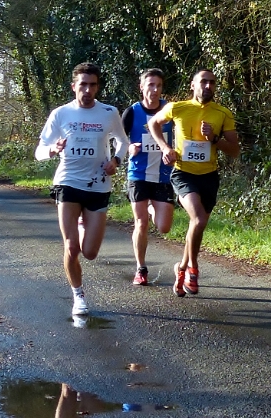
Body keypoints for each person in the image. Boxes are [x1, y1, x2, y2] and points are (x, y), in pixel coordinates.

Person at [35, 62, 129, 317]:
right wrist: (52, 150)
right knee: (71, 247)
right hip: (68, 182)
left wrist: (116, 160)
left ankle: (82, 224)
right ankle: (78, 296)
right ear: (73, 86)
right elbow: (39, 150)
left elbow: (123, 141)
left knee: (90, 252)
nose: (87, 90)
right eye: (83, 85)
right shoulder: (61, 114)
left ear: (97, 87)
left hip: (98, 184)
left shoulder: (109, 113)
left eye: (92, 85)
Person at [147, 69, 239, 297]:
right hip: (183, 174)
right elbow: (153, 124)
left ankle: (181, 267)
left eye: (212, 83)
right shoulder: (177, 108)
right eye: (203, 82)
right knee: (198, 219)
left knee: (197, 225)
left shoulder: (222, 113)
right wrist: (165, 148)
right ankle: (193, 270)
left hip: (209, 176)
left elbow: (235, 150)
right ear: (193, 85)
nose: (208, 86)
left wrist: (214, 139)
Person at [122, 68, 175, 286]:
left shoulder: (170, 110)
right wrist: (129, 148)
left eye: (158, 86)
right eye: (150, 85)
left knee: (164, 227)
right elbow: (118, 139)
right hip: (138, 174)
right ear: (142, 87)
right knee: (141, 222)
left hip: (163, 175)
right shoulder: (132, 112)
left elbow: (181, 135)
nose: (154, 90)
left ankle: (153, 208)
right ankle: (141, 268)